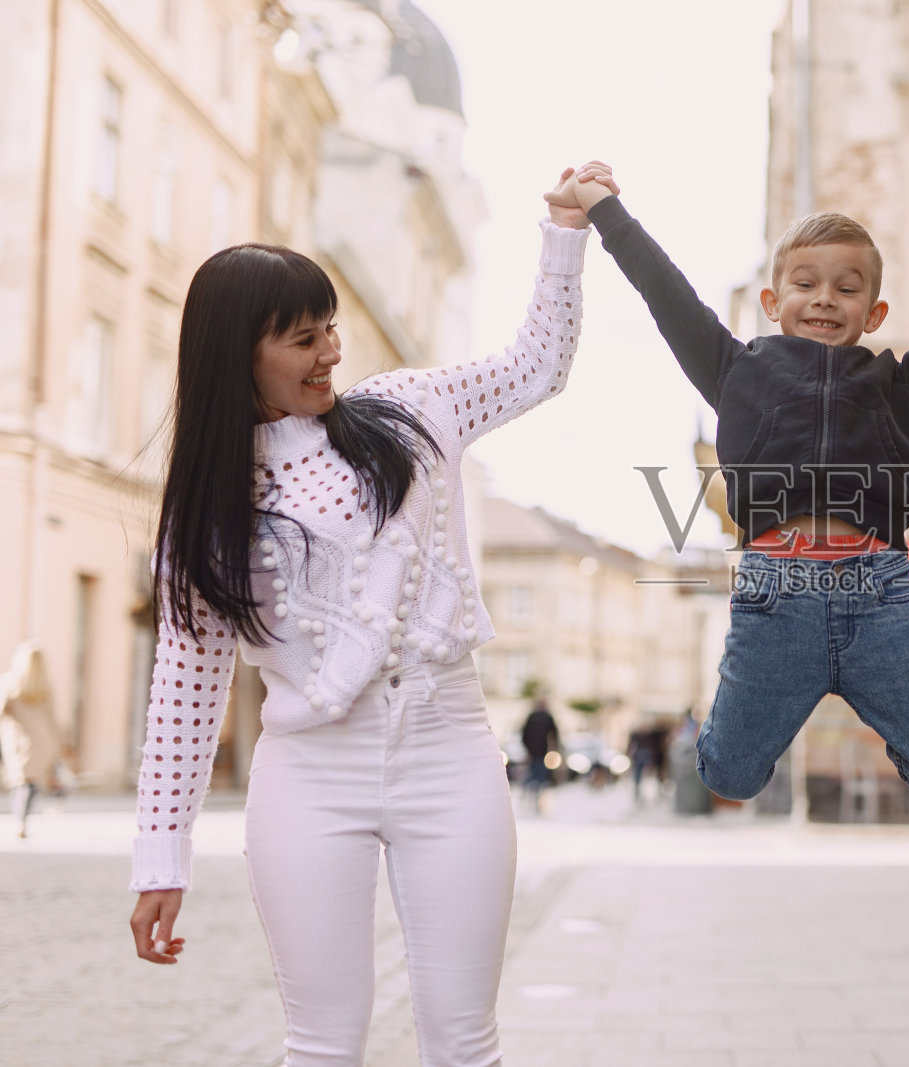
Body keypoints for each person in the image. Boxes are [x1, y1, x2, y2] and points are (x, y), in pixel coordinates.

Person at [126, 165, 601, 1066]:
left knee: (464, 1039)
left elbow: (536, 366)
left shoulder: (410, 411)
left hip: (449, 752)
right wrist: (160, 860)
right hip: (309, 775)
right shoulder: (207, 511)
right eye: (303, 338)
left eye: (331, 327)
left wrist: (565, 234)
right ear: (238, 355)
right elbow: (184, 694)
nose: (331, 352)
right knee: (322, 1044)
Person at [548, 168, 909, 802]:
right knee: (728, 775)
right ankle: (758, 707)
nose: (825, 300)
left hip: (878, 599)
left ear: (875, 312)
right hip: (775, 599)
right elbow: (664, 290)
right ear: (772, 302)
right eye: (805, 284)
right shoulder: (735, 371)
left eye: (847, 288)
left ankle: (863, 700)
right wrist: (605, 209)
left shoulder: (899, 385)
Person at [1, 641, 64, 839]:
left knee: (21, 782)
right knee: (31, 783)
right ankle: (23, 819)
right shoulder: (44, 687)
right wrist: (57, 743)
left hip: (18, 741)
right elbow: (52, 718)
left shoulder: (10, 683)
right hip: (42, 741)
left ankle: (20, 820)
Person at [519, 698, 560, 805]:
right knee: (539, 774)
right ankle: (535, 794)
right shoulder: (547, 717)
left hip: (534, 751)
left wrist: (527, 748)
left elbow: (524, 734)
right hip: (541, 750)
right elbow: (555, 734)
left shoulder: (532, 717)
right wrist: (555, 747)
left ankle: (528, 793)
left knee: (532, 773)